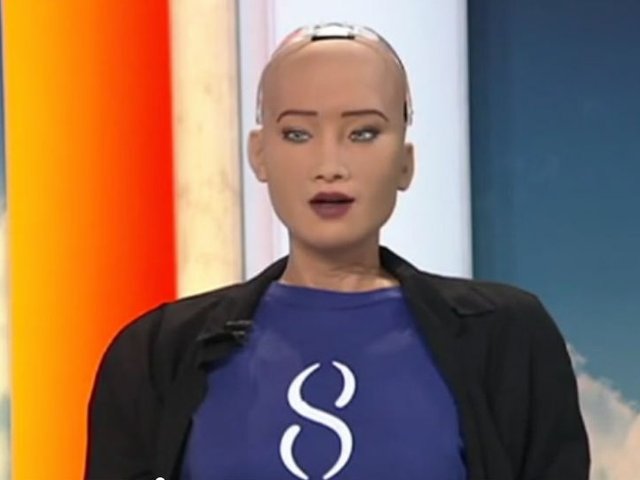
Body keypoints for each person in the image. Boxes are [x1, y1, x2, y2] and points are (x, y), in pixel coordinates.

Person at [85, 22, 590, 480]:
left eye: (363, 133)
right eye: (298, 133)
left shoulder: (507, 338)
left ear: (406, 163)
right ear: (259, 155)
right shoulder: (158, 354)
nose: (329, 165)